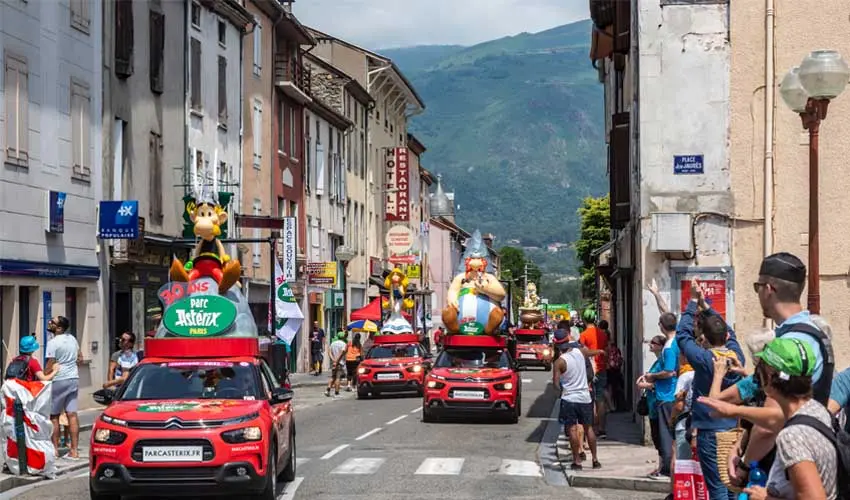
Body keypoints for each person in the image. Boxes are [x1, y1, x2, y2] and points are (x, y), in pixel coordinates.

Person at [726, 253, 835, 488]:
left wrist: (745, 465)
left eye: (757, 287)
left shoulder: (791, 342)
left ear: (768, 289)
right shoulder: (813, 333)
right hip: (805, 455)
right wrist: (743, 441)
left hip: (788, 466)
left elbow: (771, 421)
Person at [701, 338, 837, 500]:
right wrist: (734, 411)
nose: (757, 375)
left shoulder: (792, 436)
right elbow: (774, 420)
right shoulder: (816, 411)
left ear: (771, 376)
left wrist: (766, 498)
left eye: (760, 369)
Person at [676, 280, 744, 500]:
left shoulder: (704, 359)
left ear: (704, 338)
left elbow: (682, 335)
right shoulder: (737, 358)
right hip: (733, 429)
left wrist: (693, 301)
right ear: (726, 338)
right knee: (733, 485)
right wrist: (706, 307)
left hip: (709, 430)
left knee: (717, 489)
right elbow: (729, 332)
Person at [552, 328, 603, 471]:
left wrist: (559, 392)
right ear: (568, 339)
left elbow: (555, 383)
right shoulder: (580, 352)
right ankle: (595, 460)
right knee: (589, 429)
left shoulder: (559, 362)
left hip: (569, 398)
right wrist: (600, 351)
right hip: (585, 397)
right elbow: (591, 352)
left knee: (572, 430)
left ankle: (577, 461)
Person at [46, 315, 83, 459]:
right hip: (73, 378)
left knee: (54, 415)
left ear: (59, 328)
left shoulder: (53, 342)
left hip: (59, 379)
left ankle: (54, 450)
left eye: (53, 322)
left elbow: (51, 363)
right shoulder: (72, 339)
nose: (50, 323)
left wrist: (42, 375)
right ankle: (74, 451)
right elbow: (80, 358)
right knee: (72, 414)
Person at [637, 334, 670, 478]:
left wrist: (646, 385)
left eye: (654, 342)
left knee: (661, 438)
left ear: (661, 346)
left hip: (658, 403)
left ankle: (664, 468)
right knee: (657, 438)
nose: (650, 344)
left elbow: (659, 383)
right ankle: (661, 466)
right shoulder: (658, 362)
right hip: (652, 405)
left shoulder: (663, 362)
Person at [579, 312, 609, 438]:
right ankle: (601, 428)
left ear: (584, 320)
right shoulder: (603, 334)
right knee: (600, 399)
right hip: (601, 368)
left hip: (589, 370)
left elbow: (582, 353)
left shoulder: (583, 335)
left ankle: (590, 428)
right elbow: (606, 350)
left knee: (589, 399)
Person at [325, 331, 348, 397]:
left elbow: (329, 352)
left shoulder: (333, 343)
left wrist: (333, 360)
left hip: (334, 362)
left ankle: (327, 390)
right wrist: (337, 361)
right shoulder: (343, 344)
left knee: (333, 377)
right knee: (338, 378)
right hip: (339, 363)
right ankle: (336, 393)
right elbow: (342, 353)